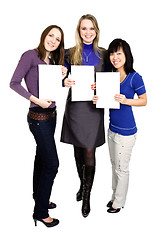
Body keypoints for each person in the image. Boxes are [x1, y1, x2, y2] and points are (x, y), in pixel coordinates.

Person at [10, 25, 67, 227]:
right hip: (38, 117)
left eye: (58, 39)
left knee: (41, 158)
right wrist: (36, 100)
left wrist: (64, 81)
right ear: (44, 35)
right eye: (51, 35)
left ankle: (39, 197)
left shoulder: (52, 61)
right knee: (52, 164)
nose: (53, 40)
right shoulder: (30, 55)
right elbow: (14, 83)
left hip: (51, 115)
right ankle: (41, 212)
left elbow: (50, 87)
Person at [61, 14, 109, 217]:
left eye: (91, 28)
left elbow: (113, 80)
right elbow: (57, 77)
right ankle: (82, 184)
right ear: (79, 31)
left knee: (89, 152)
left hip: (94, 108)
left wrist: (104, 87)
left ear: (96, 30)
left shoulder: (106, 54)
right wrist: (63, 81)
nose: (88, 32)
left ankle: (87, 196)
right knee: (78, 150)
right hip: (75, 108)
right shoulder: (69, 53)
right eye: (84, 29)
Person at [93, 38, 147, 213]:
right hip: (112, 129)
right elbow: (106, 101)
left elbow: (144, 101)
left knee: (121, 168)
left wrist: (127, 100)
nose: (115, 57)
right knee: (114, 164)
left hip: (126, 132)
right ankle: (114, 195)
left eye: (119, 53)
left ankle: (119, 202)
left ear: (126, 55)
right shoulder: (110, 77)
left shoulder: (134, 77)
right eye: (112, 54)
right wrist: (97, 96)